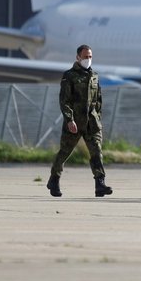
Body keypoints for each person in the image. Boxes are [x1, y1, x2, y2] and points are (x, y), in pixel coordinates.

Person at [46, 45, 113, 198]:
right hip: (75, 122)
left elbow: (98, 100)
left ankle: (100, 184)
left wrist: (98, 117)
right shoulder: (69, 76)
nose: (88, 60)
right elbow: (65, 101)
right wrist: (69, 119)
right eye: (85, 57)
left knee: (96, 152)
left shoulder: (95, 76)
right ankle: (54, 179)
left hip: (92, 123)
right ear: (78, 57)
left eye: (90, 57)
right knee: (65, 152)